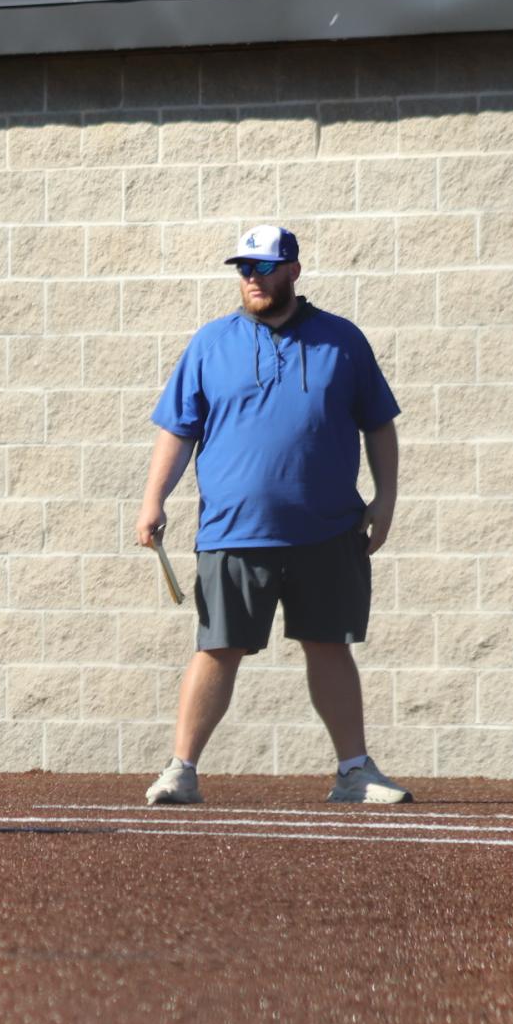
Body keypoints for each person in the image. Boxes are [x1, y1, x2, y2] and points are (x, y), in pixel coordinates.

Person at [137, 224, 409, 806]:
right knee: (218, 647)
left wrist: (385, 500)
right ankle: (181, 770)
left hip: (330, 529)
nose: (252, 278)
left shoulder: (344, 341)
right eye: (244, 268)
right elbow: (178, 429)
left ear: (293, 270)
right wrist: (153, 499)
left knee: (330, 646)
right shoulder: (211, 343)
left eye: (263, 266)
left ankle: (354, 772)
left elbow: (378, 424)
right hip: (234, 531)